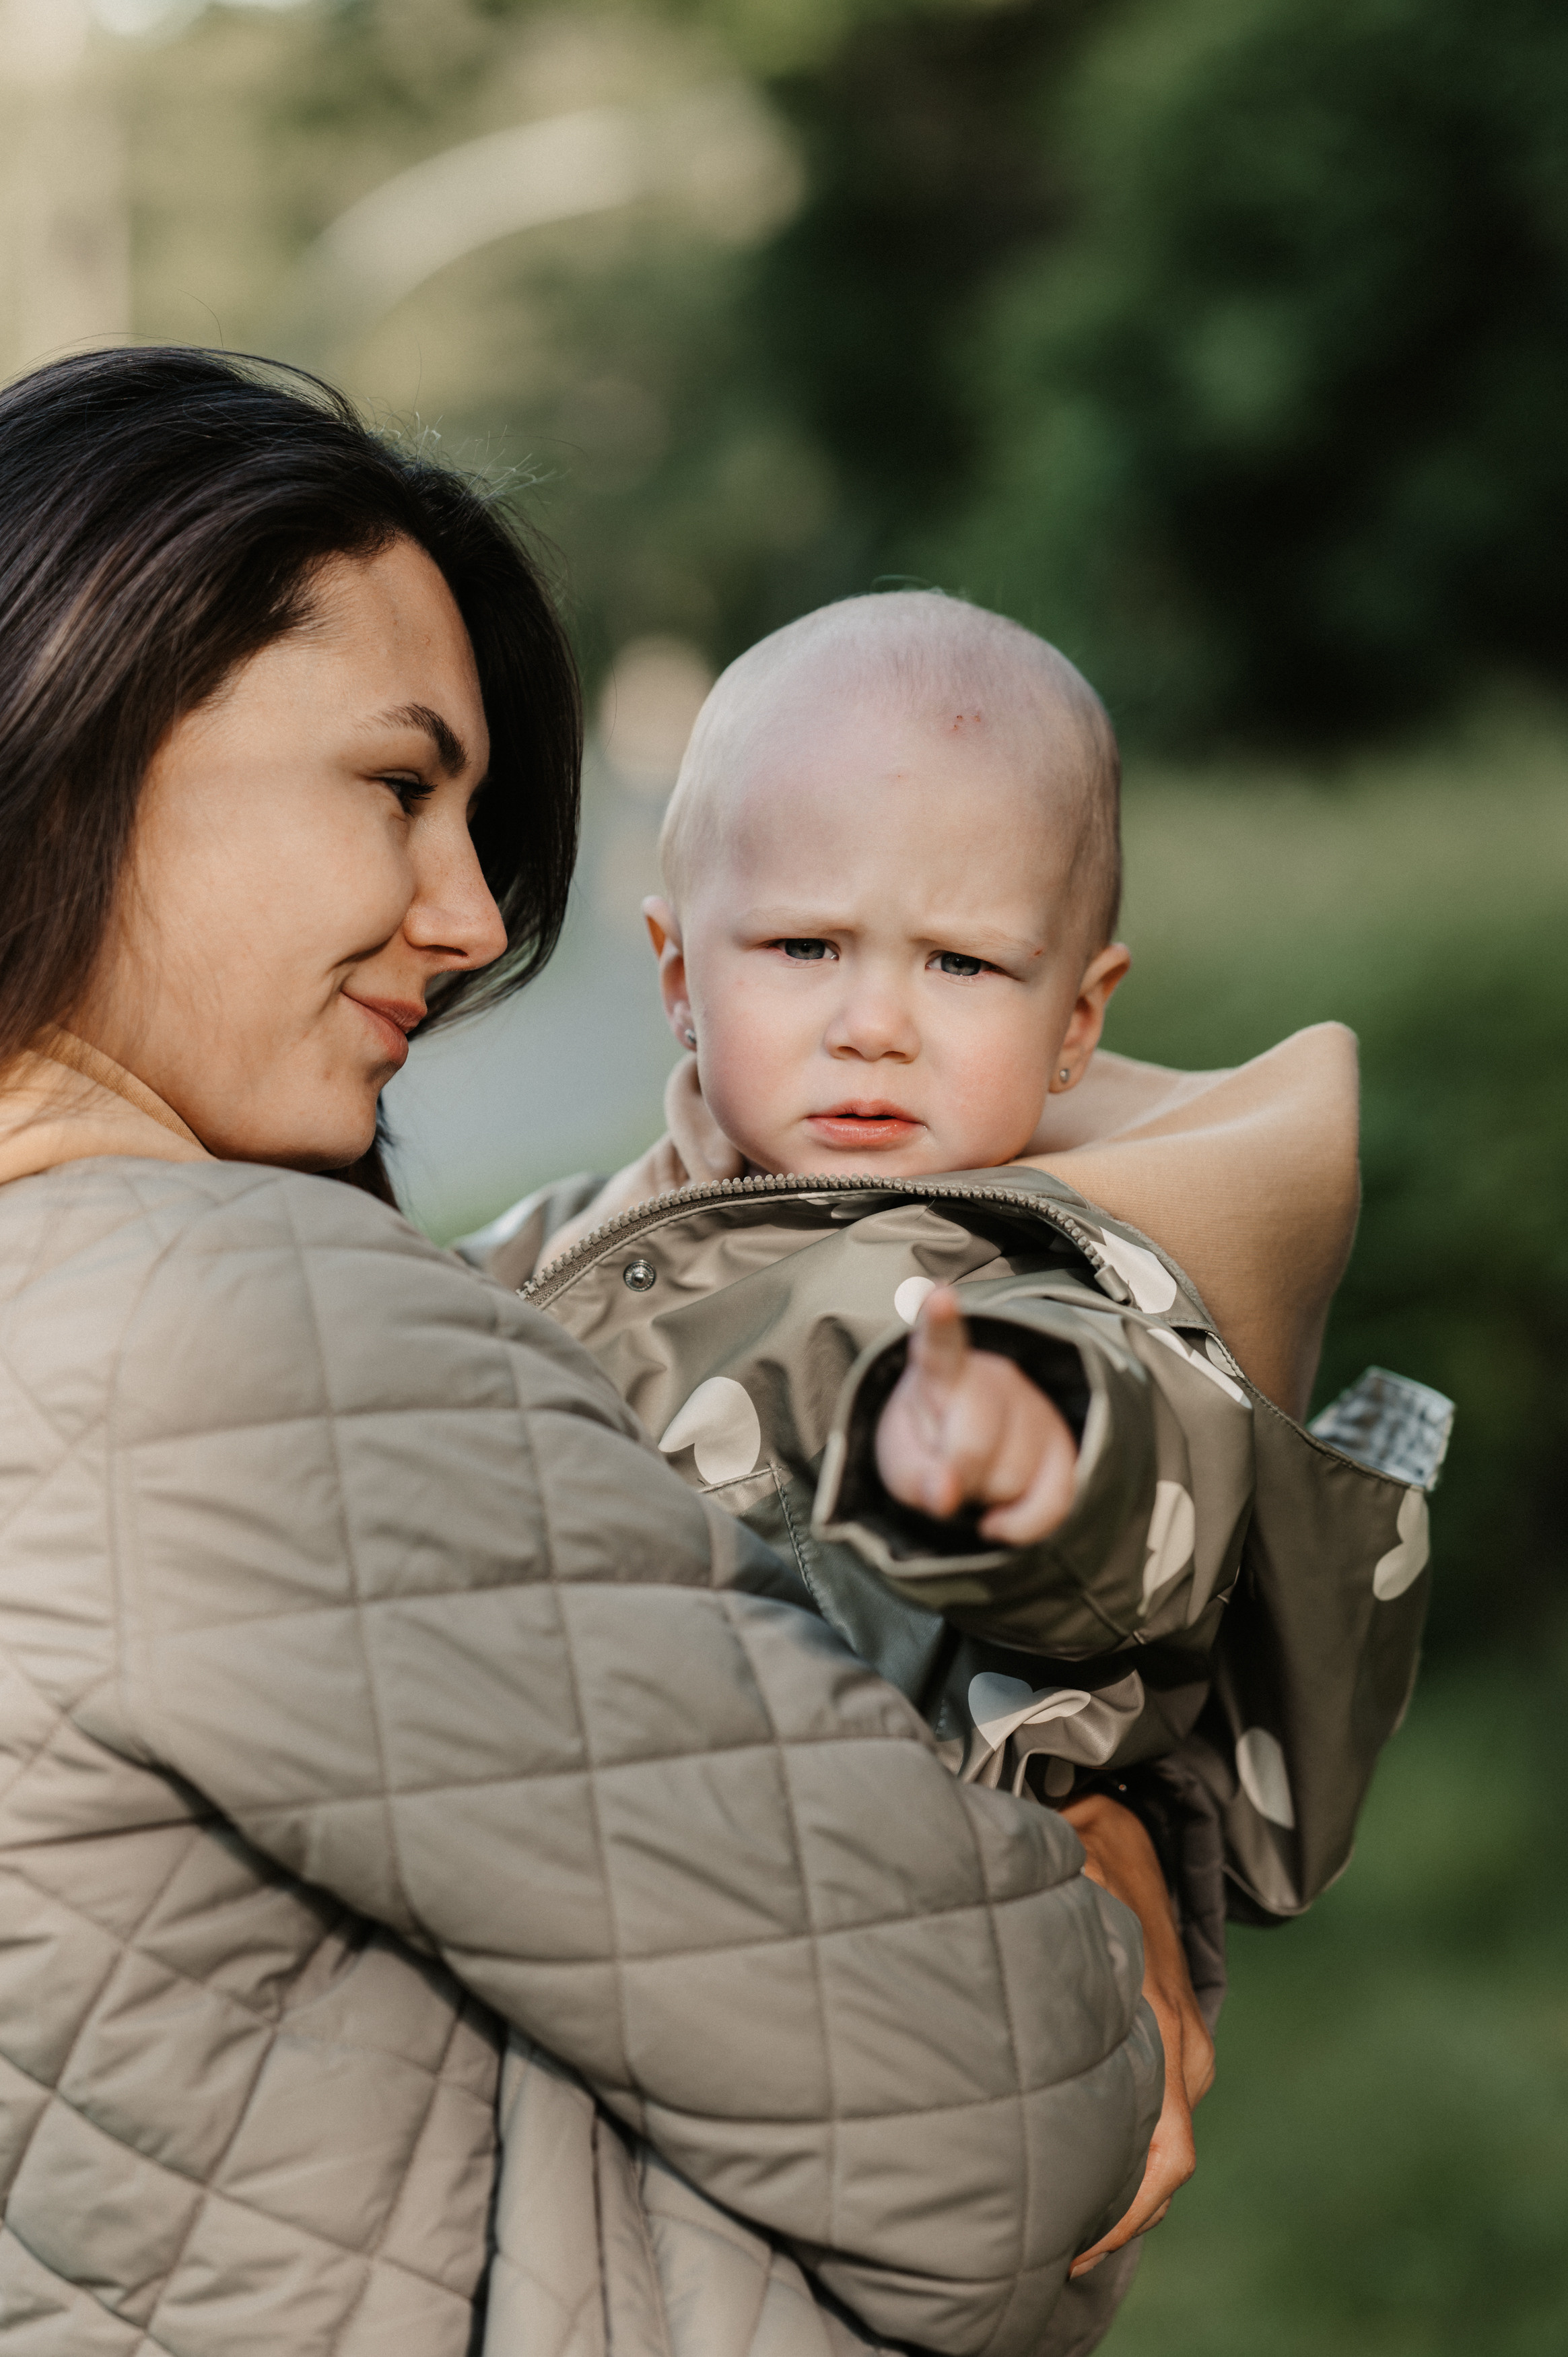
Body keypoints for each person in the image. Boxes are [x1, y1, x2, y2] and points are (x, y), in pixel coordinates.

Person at [0, 348, 1184, 2357]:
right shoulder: (235, 1337)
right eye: (396, 784)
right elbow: (1025, 2120)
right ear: (84, 711)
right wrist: (1096, 1882)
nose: (468, 916)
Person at [465, 594, 1450, 2321]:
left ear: (1078, 1019)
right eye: (803, 949)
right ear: (679, 968)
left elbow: (1147, 1504)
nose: (875, 1023)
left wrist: (1016, 1457)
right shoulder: (564, 1241)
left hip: (909, 2061)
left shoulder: (1029, 1279)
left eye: (964, 965)